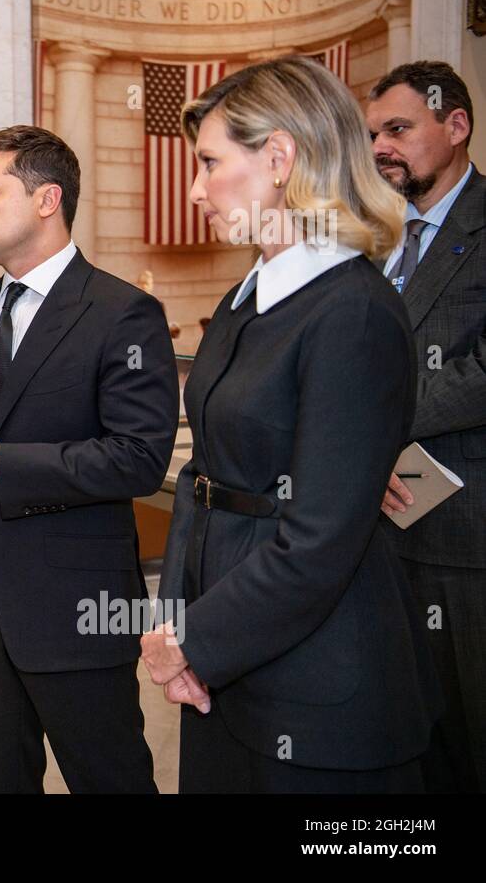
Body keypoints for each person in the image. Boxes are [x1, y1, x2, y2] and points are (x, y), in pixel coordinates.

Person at [145, 56, 441, 792]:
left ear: (279, 158)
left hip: (319, 683)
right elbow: (203, 485)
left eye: (210, 162)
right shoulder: (248, 298)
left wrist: (193, 642)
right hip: (230, 661)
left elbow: (317, 544)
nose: (194, 188)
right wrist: (177, 623)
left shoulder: (355, 312)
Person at [0, 125, 178, 793]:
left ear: (47, 199)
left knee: (109, 779)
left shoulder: (123, 314)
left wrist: (1, 464)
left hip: (77, 607)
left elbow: (138, 459)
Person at [366, 60, 486, 792]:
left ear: (457, 125)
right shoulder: (371, 238)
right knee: (406, 738)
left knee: (470, 739)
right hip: (376, 535)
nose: (382, 147)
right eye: (375, 132)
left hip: (465, 541)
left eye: (399, 129)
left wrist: (366, 418)